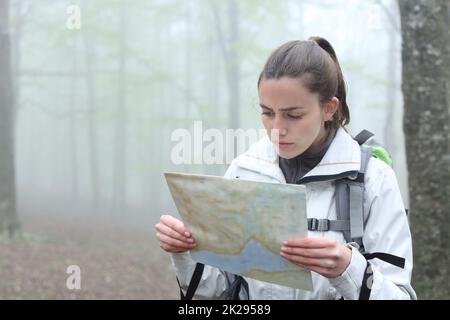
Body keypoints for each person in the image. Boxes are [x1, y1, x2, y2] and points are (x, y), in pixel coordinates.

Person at [155, 37, 417, 300]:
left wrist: (348, 269)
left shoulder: (374, 180)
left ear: (329, 108)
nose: (277, 129)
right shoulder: (243, 171)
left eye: (293, 115)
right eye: (267, 113)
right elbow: (217, 294)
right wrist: (186, 252)